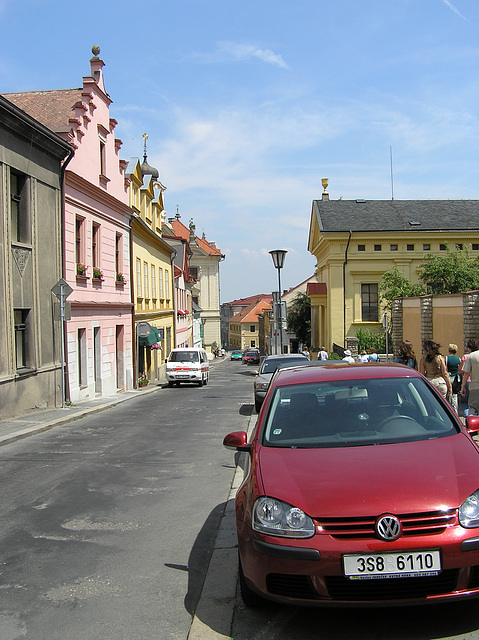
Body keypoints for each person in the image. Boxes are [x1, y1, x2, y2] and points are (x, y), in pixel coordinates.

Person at [461, 339, 479, 416]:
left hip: (475, 387)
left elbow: (466, 373)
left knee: (473, 410)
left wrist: (463, 386)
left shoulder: (472, 356)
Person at [446, 344, 461, 411]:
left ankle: (448, 410)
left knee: (448, 395)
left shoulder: (446, 358)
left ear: (449, 350)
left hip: (448, 377)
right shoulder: (459, 359)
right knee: (455, 395)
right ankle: (455, 410)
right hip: (456, 378)